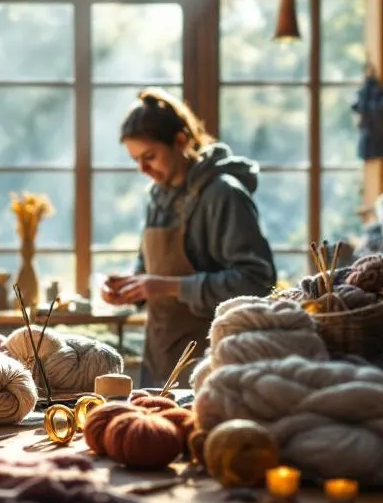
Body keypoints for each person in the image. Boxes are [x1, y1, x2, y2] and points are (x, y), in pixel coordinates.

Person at [101, 89, 277, 389]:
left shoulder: (224, 194)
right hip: (159, 356)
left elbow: (257, 282)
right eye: (136, 161)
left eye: (149, 157)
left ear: (181, 140)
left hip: (212, 360)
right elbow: (149, 269)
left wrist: (169, 286)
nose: (143, 170)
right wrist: (133, 287)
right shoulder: (156, 198)